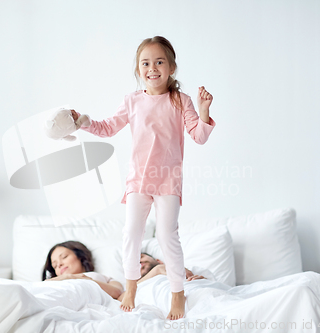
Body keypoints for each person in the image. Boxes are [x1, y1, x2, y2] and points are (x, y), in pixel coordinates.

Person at [73, 36, 216, 320]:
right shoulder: (132, 101)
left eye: (159, 62)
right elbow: (108, 127)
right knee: (131, 235)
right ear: (139, 70)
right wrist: (83, 121)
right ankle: (130, 288)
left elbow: (198, 137)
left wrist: (203, 112)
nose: (153, 68)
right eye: (146, 63)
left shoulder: (180, 100)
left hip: (168, 181)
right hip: (138, 179)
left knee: (167, 235)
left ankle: (178, 293)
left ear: (172, 67)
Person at [41, 241, 123, 300]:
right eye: (55, 266)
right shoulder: (52, 284)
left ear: (79, 255)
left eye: (64, 257)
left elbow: (117, 292)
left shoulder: (106, 279)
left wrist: (75, 278)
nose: (59, 265)